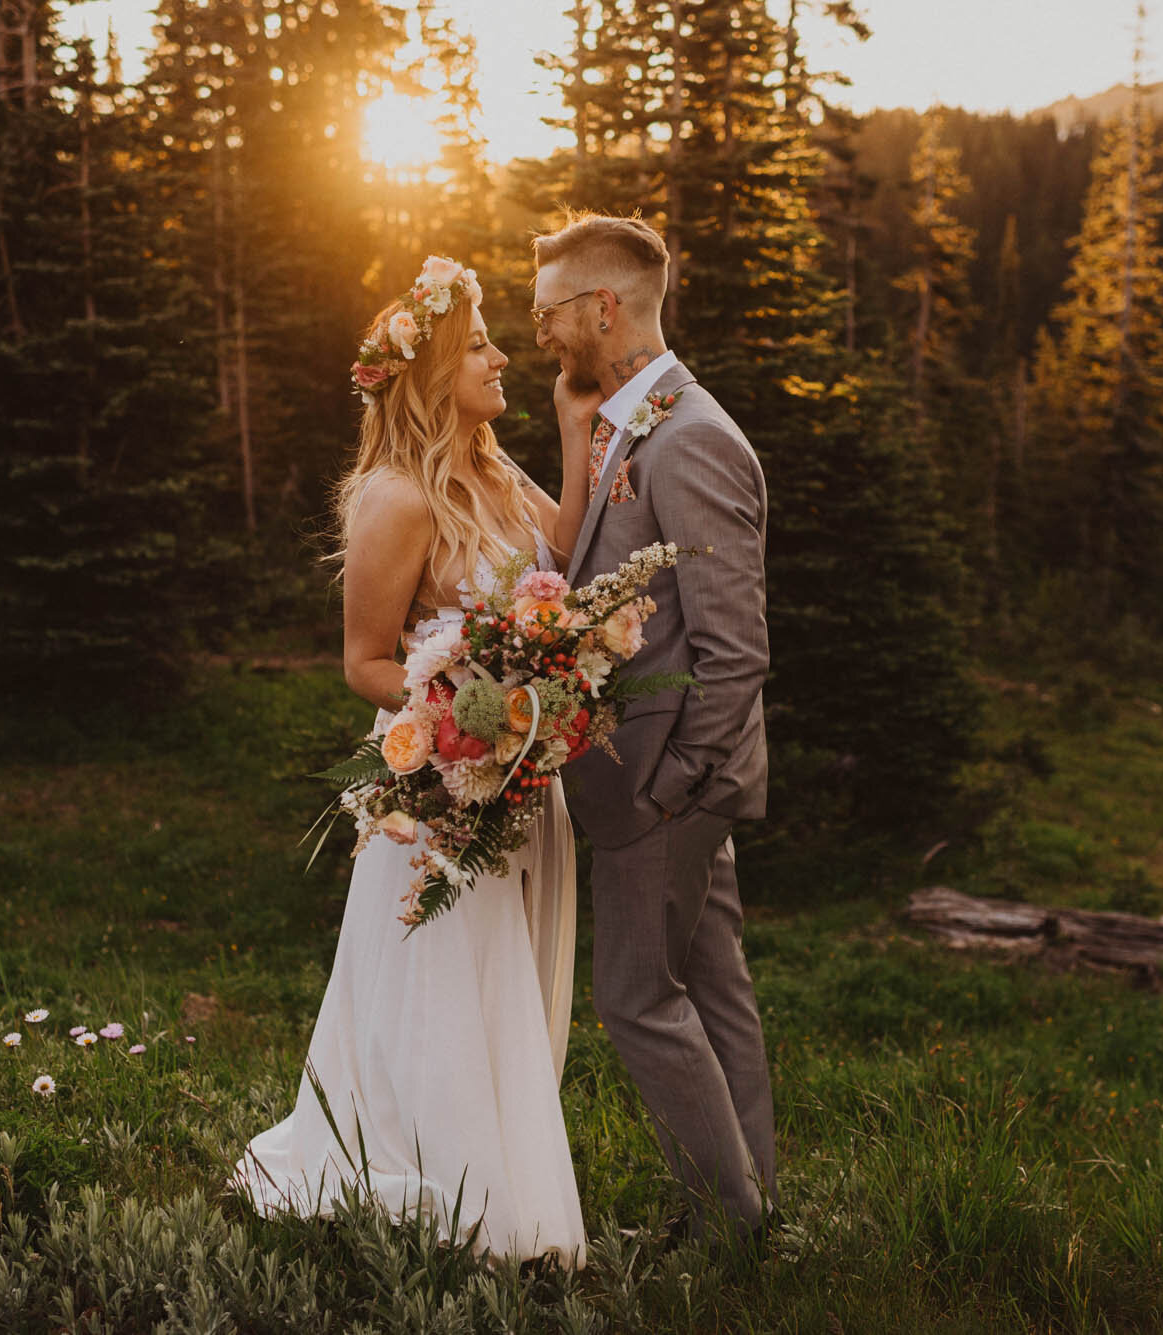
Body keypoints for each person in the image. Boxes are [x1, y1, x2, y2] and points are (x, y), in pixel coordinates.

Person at [230, 256, 596, 1268]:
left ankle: (501, 1171)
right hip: (442, 781)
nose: (497, 355)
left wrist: (570, 432)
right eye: (477, 342)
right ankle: (449, 1192)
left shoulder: (491, 465)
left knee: (506, 979)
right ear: (433, 370)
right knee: (440, 979)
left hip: (520, 772)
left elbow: (558, 554)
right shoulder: (392, 497)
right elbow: (364, 661)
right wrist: (462, 718)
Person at [533, 213, 776, 1249]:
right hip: (666, 774)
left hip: (667, 782)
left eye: (547, 312)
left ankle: (722, 1230)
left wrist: (667, 785)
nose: (538, 330)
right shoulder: (628, 422)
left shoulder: (692, 436)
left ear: (603, 306)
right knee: (711, 984)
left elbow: (735, 646)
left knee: (636, 1001)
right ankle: (752, 1209)